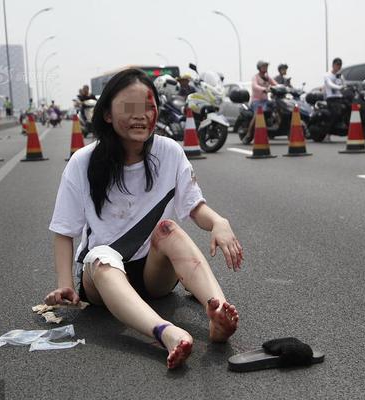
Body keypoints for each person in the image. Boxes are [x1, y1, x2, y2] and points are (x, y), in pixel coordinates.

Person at [46, 68, 242, 369]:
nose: (141, 116)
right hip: (101, 279)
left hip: (153, 275)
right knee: (100, 255)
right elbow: (64, 230)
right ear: (108, 114)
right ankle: (168, 333)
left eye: (149, 107)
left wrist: (218, 222)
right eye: (129, 108)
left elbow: (194, 206)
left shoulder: (169, 152)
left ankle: (218, 312)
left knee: (168, 228)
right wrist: (65, 283)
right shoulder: (82, 162)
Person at [243, 60, 277, 143]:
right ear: (259, 68)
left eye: (266, 66)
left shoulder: (267, 77)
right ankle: (248, 134)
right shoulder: (255, 77)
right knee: (258, 114)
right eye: (263, 66)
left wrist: (282, 87)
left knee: (277, 106)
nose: (265, 68)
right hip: (257, 101)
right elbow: (255, 86)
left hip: (266, 100)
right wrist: (264, 89)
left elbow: (275, 84)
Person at [323, 57, 346, 143]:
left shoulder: (340, 76)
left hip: (340, 98)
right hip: (331, 99)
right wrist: (340, 87)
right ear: (333, 65)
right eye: (337, 65)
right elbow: (330, 84)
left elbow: (345, 84)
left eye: (340, 65)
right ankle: (327, 134)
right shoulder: (327, 75)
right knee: (336, 114)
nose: (338, 67)